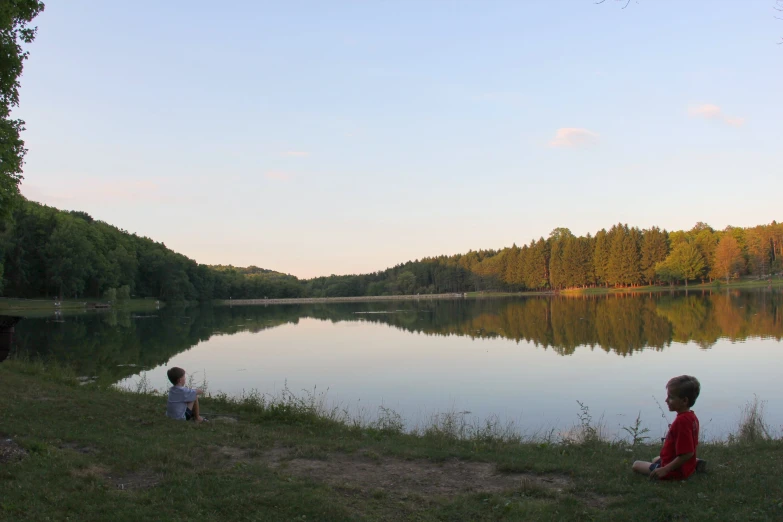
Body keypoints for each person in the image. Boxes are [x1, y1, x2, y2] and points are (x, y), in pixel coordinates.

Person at [632, 375, 705, 480]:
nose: (666, 400)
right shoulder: (692, 416)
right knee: (656, 458)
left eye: (671, 397)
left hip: (675, 471)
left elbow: (688, 453)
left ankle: (682, 467)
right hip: (685, 466)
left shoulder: (681, 421)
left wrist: (665, 469)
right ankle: (695, 463)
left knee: (636, 464)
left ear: (684, 401)